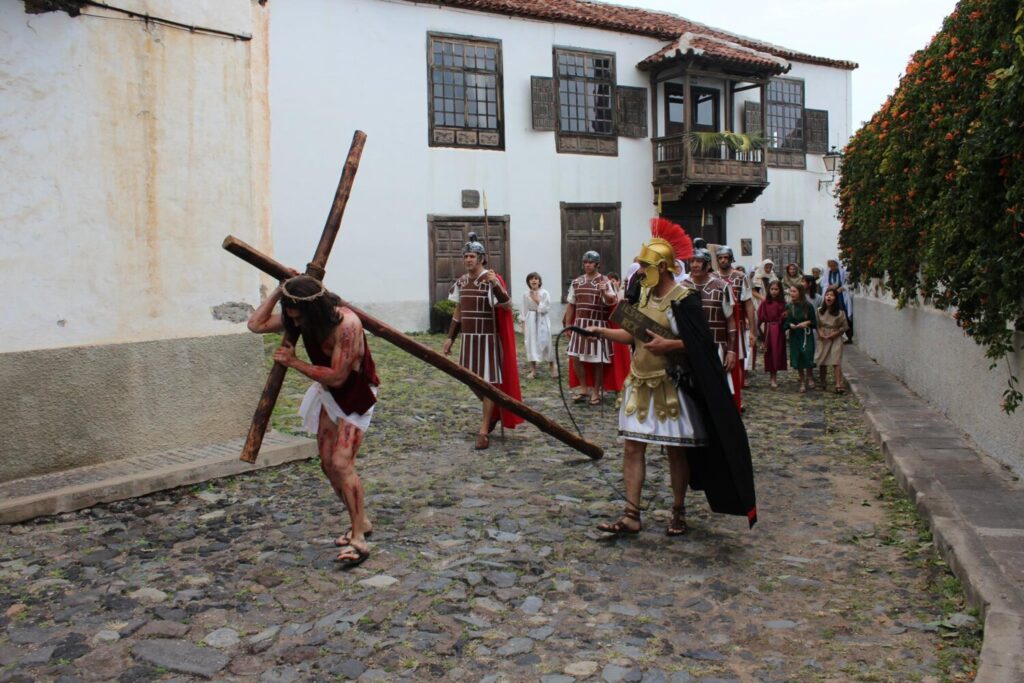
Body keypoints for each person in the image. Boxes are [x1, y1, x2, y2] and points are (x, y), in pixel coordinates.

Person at [587, 218, 757, 536]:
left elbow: (703, 343)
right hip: (639, 381)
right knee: (632, 447)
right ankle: (631, 514)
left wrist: (671, 344)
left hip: (671, 383)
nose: (639, 270)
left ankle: (678, 511)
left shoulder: (684, 298)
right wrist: (602, 331)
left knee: (676, 450)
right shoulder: (642, 295)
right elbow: (633, 335)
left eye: (645, 265)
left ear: (663, 266)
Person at [247, 275, 379, 567]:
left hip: (355, 394)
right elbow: (255, 325)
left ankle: (359, 538)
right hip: (329, 395)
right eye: (290, 314)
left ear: (314, 309)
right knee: (328, 464)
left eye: (297, 314)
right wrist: (277, 293)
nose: (294, 321)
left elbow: (339, 376)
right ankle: (362, 520)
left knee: (343, 463)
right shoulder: (301, 316)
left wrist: (293, 362)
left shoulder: (347, 324)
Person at [442, 233, 523, 449]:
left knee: (487, 384)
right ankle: (494, 410)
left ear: (481, 258)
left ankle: (484, 430)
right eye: (466, 256)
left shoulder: (490, 279)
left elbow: (506, 304)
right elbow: (458, 312)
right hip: (469, 340)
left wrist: (495, 284)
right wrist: (451, 337)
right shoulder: (462, 281)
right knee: (470, 380)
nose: (468, 259)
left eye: (472, 256)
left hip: (487, 339)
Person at [564, 251, 617, 405]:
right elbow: (571, 304)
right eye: (585, 262)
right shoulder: (577, 282)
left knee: (597, 359)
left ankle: (596, 390)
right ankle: (583, 388)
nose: (587, 264)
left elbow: (611, 301)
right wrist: (568, 324)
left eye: (591, 262)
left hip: (597, 324)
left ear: (597, 264)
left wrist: (603, 292)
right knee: (575, 357)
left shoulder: (605, 281)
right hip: (579, 324)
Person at [683, 249, 738, 396]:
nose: (694, 265)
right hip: (690, 346)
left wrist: (731, 351)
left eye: (699, 261)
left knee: (717, 392)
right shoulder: (681, 287)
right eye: (692, 261)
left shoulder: (721, 286)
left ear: (707, 265)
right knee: (692, 391)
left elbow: (730, 320)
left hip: (717, 346)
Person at [716, 246, 755, 409]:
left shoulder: (740, 277)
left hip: (736, 324)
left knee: (736, 362)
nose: (723, 260)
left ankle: (737, 398)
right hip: (716, 324)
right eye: (721, 258)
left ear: (731, 259)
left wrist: (752, 330)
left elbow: (748, 304)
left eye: (726, 257)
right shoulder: (712, 277)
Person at [522, 272, 557, 379]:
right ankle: (533, 370)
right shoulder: (526, 294)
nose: (534, 281)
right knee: (531, 344)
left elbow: (546, 308)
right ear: (528, 282)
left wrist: (537, 301)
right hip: (531, 320)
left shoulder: (544, 293)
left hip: (542, 319)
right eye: (531, 279)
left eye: (536, 279)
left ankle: (552, 366)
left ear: (539, 281)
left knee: (546, 342)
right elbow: (524, 310)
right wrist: (523, 324)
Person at [816, 285, 850, 393]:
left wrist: (835, 334)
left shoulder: (840, 313)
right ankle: (822, 381)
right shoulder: (819, 311)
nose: (828, 297)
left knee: (836, 360)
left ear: (835, 298)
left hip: (835, 336)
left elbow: (844, 327)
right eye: (827, 295)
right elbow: (816, 324)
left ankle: (838, 383)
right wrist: (820, 332)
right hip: (823, 336)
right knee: (823, 360)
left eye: (831, 295)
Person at [785, 283, 817, 392]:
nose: (791, 293)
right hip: (795, 335)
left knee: (807, 355)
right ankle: (802, 381)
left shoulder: (808, 306)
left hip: (806, 335)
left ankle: (810, 376)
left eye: (794, 291)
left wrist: (806, 323)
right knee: (798, 357)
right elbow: (786, 321)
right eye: (791, 291)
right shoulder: (789, 306)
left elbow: (814, 322)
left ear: (800, 293)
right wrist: (790, 325)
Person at [757, 280, 787, 388]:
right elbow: (759, 319)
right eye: (772, 289)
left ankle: (775, 376)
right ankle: (772, 378)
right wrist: (760, 334)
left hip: (779, 331)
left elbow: (785, 318)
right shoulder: (765, 303)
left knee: (777, 353)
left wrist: (784, 318)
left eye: (776, 289)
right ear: (769, 290)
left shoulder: (783, 303)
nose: (774, 291)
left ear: (780, 290)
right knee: (770, 354)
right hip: (769, 330)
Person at [826, 258, 854, 342]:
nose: (832, 267)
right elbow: (824, 284)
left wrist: (842, 288)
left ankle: (848, 336)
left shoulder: (842, 272)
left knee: (843, 314)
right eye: (830, 266)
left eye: (834, 265)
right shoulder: (828, 273)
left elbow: (847, 283)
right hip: (832, 295)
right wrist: (829, 287)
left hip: (841, 296)